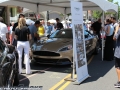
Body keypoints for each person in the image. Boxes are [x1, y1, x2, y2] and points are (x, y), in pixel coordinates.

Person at [113, 22, 120, 88]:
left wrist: (116, 30)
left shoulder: (119, 30)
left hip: (119, 52)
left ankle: (119, 81)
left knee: (118, 67)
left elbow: (114, 38)